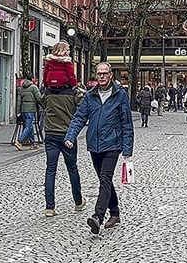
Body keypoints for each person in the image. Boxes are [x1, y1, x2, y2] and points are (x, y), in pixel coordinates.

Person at [65, 63, 134, 235]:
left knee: (105, 178)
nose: (102, 76)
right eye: (99, 74)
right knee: (105, 180)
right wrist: (70, 136)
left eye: (105, 73)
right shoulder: (90, 95)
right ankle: (115, 212)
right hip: (95, 145)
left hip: (112, 144)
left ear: (110, 75)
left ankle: (98, 216)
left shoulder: (120, 95)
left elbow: (126, 122)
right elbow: (79, 117)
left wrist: (127, 149)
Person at [41, 72, 85, 217]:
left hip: (50, 134)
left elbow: (42, 103)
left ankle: (49, 207)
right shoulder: (73, 93)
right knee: (72, 168)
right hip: (67, 134)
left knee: (50, 170)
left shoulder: (48, 93)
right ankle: (78, 201)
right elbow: (83, 105)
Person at [15, 73, 42, 150]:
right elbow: (39, 98)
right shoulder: (34, 87)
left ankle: (33, 143)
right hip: (30, 110)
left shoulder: (22, 88)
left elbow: (19, 101)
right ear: (32, 79)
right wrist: (43, 106)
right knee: (28, 127)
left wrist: (18, 111)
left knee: (29, 127)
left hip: (23, 110)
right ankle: (19, 141)